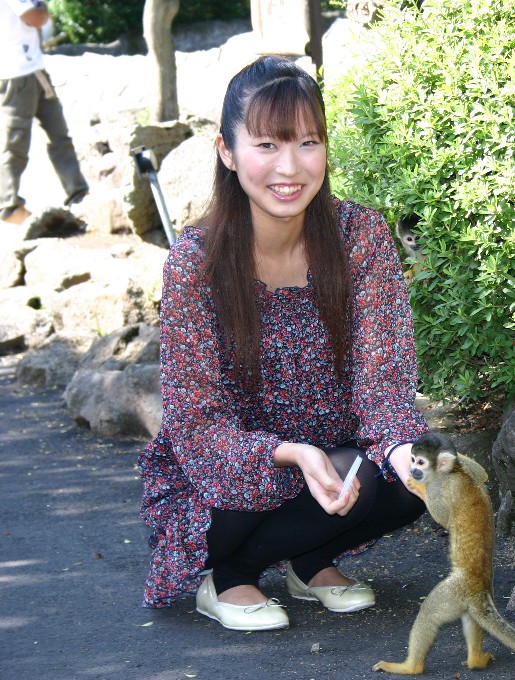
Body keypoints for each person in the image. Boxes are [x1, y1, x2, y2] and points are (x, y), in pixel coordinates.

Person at [138, 55, 429, 632]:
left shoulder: (360, 237)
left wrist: (402, 452)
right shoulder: (194, 263)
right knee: (272, 488)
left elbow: (384, 378)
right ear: (227, 151)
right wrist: (288, 452)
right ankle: (228, 578)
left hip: (336, 455)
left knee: (401, 478)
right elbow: (195, 425)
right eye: (267, 145)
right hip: (226, 475)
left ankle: (310, 559)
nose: (290, 167)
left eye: (307, 142)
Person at [0, 0, 88, 225]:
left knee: (59, 134)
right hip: (16, 75)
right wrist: (42, 7)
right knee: (15, 141)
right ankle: (8, 206)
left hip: (34, 70)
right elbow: (37, 17)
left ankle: (78, 194)